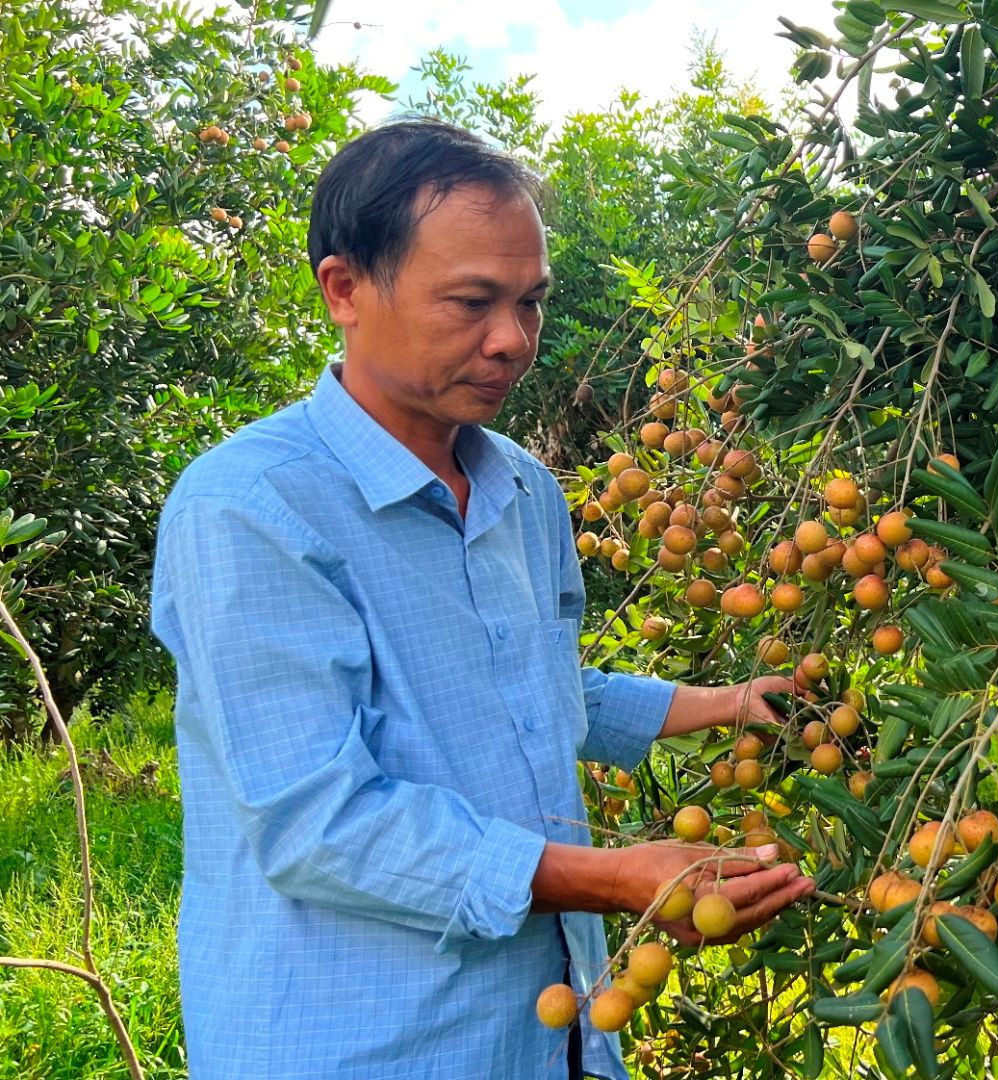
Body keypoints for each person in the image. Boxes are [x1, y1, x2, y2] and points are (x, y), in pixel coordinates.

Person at [150, 118, 813, 1080]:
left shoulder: (522, 489)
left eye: (531, 303)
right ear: (344, 289)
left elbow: (532, 687)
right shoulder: (252, 507)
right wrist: (610, 879)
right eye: (471, 302)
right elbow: (316, 822)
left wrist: (730, 705)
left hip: (554, 1033)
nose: (512, 340)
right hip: (366, 1045)